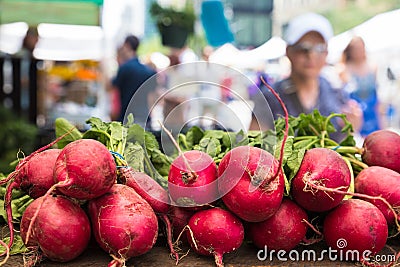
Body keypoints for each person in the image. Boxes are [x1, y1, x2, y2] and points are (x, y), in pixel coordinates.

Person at [251, 13, 362, 141]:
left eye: (319, 48)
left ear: (326, 53)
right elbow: (255, 144)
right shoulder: (269, 98)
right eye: (303, 48)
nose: (311, 56)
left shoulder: (336, 94)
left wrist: (353, 126)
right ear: (288, 51)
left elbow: (346, 141)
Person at [338, 36, 381, 136]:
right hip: (355, 116)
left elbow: (377, 96)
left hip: (372, 115)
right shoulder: (343, 69)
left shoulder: (373, 67)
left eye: (361, 48)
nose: (358, 51)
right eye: (355, 48)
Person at [111, 35, 157, 127]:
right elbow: (152, 99)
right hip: (144, 119)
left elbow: (111, 90)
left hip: (126, 118)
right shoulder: (150, 72)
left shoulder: (124, 68)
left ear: (127, 45)